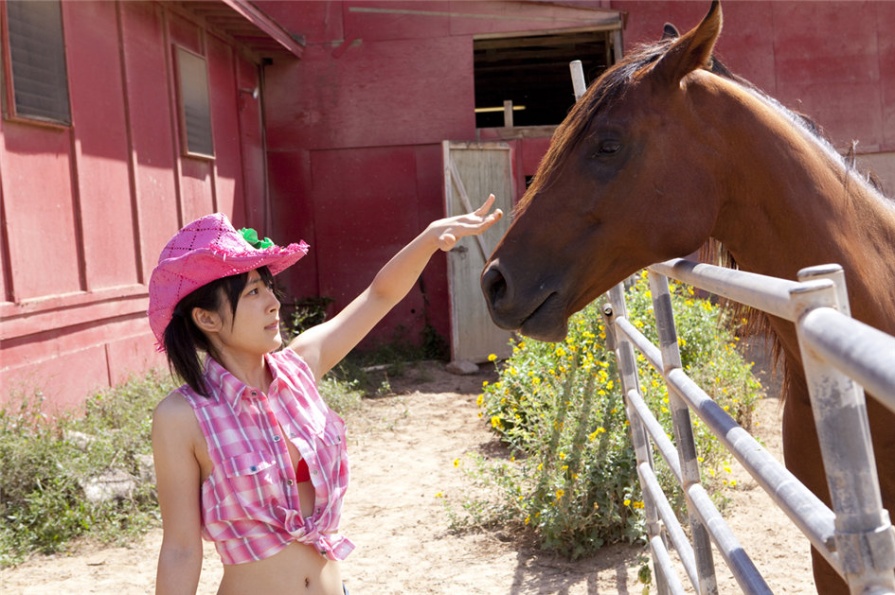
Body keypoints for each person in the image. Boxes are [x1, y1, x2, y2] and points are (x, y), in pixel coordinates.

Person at [148, 196, 502, 595]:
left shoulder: (300, 367)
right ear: (206, 317)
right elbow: (180, 549)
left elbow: (378, 297)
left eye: (269, 288)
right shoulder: (182, 416)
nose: (273, 303)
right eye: (252, 293)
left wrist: (428, 239)